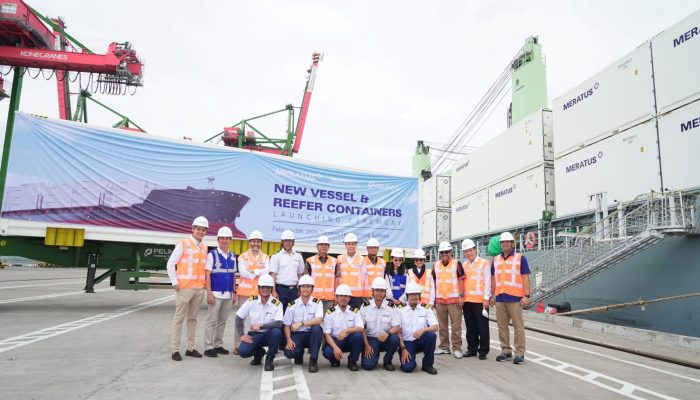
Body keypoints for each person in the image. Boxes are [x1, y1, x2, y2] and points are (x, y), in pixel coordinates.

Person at [167, 216, 209, 361]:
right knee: (179, 319)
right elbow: (170, 263)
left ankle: (190, 348)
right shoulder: (183, 244)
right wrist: (174, 282)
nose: (200, 232)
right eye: (198, 229)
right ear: (193, 229)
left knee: (193, 319)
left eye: (203, 230)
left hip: (198, 289)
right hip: (184, 288)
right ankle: (175, 350)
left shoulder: (204, 246)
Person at [490, 232, 531, 365]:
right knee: (502, 326)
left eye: (508, 242)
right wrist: (492, 296)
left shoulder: (520, 258)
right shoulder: (496, 260)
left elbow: (525, 277)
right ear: (500, 244)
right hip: (501, 298)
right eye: (503, 242)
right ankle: (506, 351)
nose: (505, 244)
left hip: (515, 298)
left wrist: (527, 295)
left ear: (512, 244)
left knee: (518, 327)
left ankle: (519, 353)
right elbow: (493, 280)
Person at [235, 274, 283, 371]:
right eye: (263, 287)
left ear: (271, 289)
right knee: (243, 351)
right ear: (258, 288)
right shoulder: (251, 301)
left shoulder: (277, 304)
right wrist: (241, 335)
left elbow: (279, 323)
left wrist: (261, 326)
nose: (265, 289)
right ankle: (258, 353)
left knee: (277, 332)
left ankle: (270, 358)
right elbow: (238, 317)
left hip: (269, 335)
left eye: (268, 287)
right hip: (255, 335)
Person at [234, 229, 270, 354]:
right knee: (240, 319)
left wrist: (254, 271)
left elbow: (267, 270)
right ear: (249, 242)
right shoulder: (243, 256)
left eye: (258, 242)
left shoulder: (265, 257)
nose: (255, 243)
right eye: (253, 241)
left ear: (261, 243)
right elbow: (242, 272)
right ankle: (238, 344)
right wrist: (258, 272)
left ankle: (256, 344)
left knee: (258, 320)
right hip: (244, 292)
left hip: (259, 294)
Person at [203, 226, 237, 358]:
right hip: (216, 294)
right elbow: (207, 275)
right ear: (218, 240)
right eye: (222, 238)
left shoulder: (233, 256)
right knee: (211, 320)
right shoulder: (212, 255)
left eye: (227, 238)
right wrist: (209, 293)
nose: (224, 240)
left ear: (230, 240)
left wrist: (234, 291)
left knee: (222, 321)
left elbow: (233, 275)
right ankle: (208, 346)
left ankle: (218, 344)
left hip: (228, 294)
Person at [430, 241, 466, 358]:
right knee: (442, 326)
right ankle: (444, 347)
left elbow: (461, 280)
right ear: (440, 253)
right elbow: (433, 283)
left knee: (456, 326)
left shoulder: (456, 264)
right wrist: (433, 300)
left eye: (447, 252)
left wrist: (461, 296)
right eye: (442, 252)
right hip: (440, 300)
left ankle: (457, 348)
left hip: (454, 300)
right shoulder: (435, 265)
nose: (444, 254)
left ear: (451, 252)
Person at [283, 274, 324, 373]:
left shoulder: (317, 303)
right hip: (298, 335)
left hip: (312, 335)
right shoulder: (292, 305)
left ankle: (313, 360)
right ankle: (299, 353)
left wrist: (301, 324)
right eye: (303, 286)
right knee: (288, 353)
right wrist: (289, 340)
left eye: (308, 286)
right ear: (299, 288)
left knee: (317, 329)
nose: (306, 289)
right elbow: (287, 325)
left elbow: (319, 320)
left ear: (312, 288)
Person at [360, 277, 401, 371]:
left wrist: (387, 333)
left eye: (382, 291)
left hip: (386, 338)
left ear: (385, 292)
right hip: (371, 339)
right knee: (368, 366)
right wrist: (366, 345)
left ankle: (387, 361)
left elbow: (397, 327)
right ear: (372, 291)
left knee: (395, 339)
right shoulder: (365, 306)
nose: (379, 293)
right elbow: (361, 328)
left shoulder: (391, 307)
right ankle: (372, 355)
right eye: (377, 290)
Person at [461, 238, 491, 360]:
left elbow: (488, 281)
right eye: (466, 251)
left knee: (482, 327)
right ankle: (472, 349)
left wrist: (486, 299)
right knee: (470, 327)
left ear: (475, 249)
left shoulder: (484, 263)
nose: (468, 253)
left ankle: (483, 350)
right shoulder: (464, 265)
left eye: (470, 250)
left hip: (480, 301)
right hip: (467, 301)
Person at [322, 284, 364, 371]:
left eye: (346, 296)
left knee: (358, 336)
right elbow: (326, 333)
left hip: (349, 340)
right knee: (328, 352)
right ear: (336, 298)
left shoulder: (355, 311)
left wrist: (346, 330)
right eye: (341, 296)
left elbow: (361, 327)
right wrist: (335, 348)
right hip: (336, 341)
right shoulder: (330, 313)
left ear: (349, 298)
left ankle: (352, 361)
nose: (343, 298)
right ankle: (335, 360)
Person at [398, 282, 438, 374]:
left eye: (416, 294)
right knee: (408, 368)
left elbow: (435, 327)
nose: (414, 297)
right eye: (411, 295)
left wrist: (423, 330)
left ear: (419, 296)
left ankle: (427, 365)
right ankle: (409, 359)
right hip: (406, 343)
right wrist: (403, 348)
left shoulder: (426, 308)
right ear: (407, 296)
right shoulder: (400, 309)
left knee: (431, 335)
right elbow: (397, 331)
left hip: (420, 340)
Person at [270, 229, 304, 312]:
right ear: (282, 242)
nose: (288, 243)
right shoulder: (276, 256)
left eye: (290, 241)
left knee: (293, 315)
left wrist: (300, 290)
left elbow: (300, 275)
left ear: (293, 242)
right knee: (279, 315)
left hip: (294, 291)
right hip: (280, 290)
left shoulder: (298, 256)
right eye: (285, 241)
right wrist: (273, 291)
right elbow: (273, 275)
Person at [305, 235, 339, 312]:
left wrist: (336, 296)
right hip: (314, 298)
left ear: (329, 247)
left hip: (329, 299)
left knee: (328, 321)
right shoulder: (310, 261)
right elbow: (306, 281)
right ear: (317, 246)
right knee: (314, 321)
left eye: (325, 245)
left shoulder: (335, 261)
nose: (323, 246)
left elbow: (337, 280)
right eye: (321, 244)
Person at [336, 232, 366, 309]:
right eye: (349, 244)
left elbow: (364, 278)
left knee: (355, 316)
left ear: (356, 245)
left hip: (356, 295)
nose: (351, 246)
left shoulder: (362, 259)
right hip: (343, 294)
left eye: (353, 244)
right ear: (345, 245)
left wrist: (363, 294)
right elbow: (337, 277)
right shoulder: (339, 259)